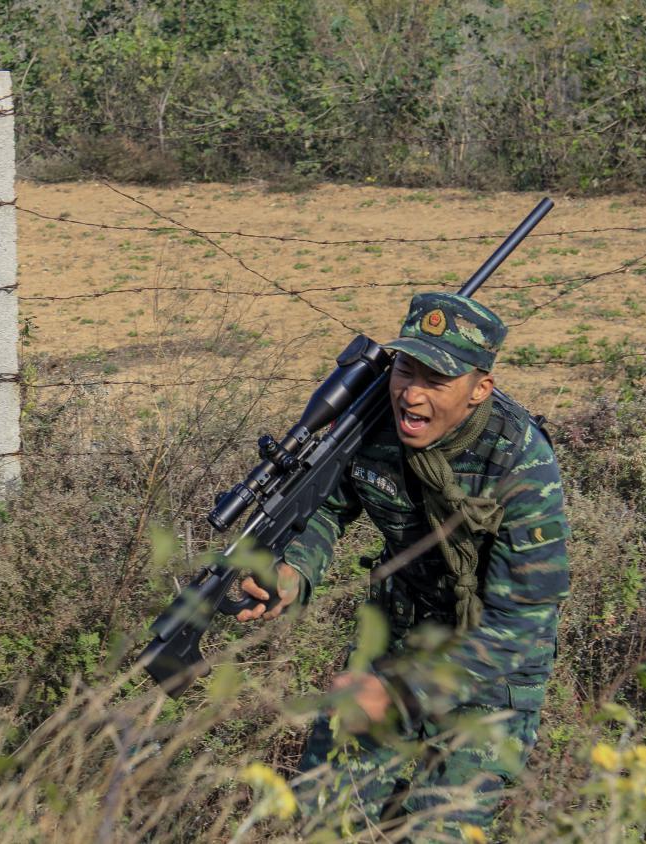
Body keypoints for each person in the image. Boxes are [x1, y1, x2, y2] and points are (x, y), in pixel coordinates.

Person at [236, 291, 571, 839]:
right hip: (397, 637)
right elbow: (328, 505)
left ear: (479, 390)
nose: (410, 393)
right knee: (326, 817)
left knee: (438, 832)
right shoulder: (371, 423)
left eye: (435, 381)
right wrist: (293, 571)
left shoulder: (521, 462)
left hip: (489, 665)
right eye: (405, 370)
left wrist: (401, 694)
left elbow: (523, 620)